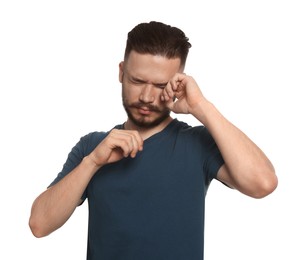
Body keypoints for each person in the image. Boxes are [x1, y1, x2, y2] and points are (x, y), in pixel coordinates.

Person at [29, 21, 278, 260]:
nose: (147, 97)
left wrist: (201, 106)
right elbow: (39, 224)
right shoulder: (92, 147)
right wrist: (92, 162)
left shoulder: (197, 144)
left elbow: (263, 183)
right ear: (121, 72)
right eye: (137, 81)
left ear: (178, 82)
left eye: (160, 85)